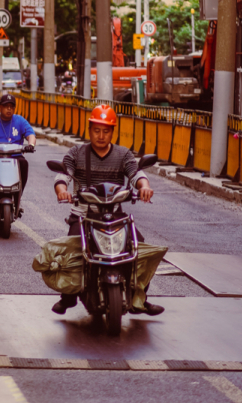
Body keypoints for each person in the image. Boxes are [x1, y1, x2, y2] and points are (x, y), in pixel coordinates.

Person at [41, 103, 167, 317]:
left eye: (106, 131)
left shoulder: (123, 154)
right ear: (89, 130)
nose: (101, 135)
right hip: (82, 216)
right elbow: (63, 175)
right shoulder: (77, 152)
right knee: (72, 251)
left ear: (112, 132)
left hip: (115, 216)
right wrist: (62, 190)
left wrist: (144, 187)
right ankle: (68, 296)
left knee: (139, 248)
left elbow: (136, 174)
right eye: (97, 130)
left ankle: (140, 298)